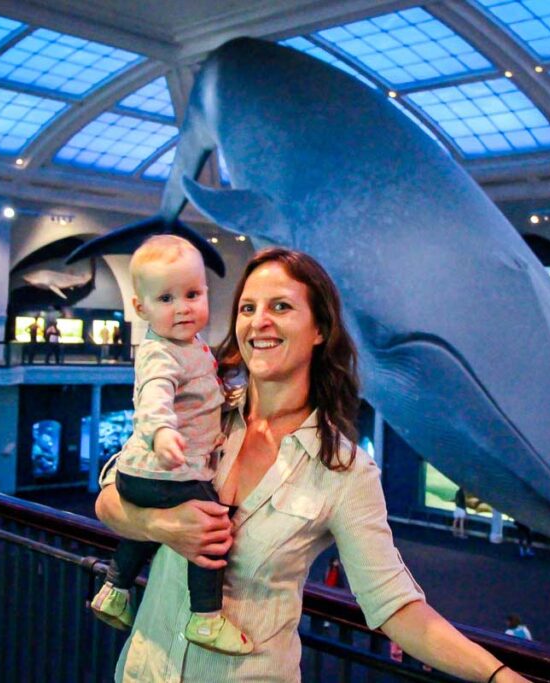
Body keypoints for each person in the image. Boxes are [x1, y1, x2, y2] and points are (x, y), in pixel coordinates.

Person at [94, 248, 526, 683]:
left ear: (320, 328)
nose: (259, 320)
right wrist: (161, 528)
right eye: (248, 308)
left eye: (280, 306)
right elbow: (109, 500)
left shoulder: (344, 471)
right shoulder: (199, 413)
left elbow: (394, 604)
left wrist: (498, 677)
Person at [89, 235, 252, 655]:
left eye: (193, 294)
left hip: (141, 473)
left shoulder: (192, 346)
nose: (183, 307)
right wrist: (163, 433)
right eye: (166, 298)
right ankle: (206, 616)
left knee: (150, 525)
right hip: (168, 467)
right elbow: (154, 397)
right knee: (210, 526)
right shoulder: (161, 353)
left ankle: (115, 588)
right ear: (140, 308)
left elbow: (203, 393)